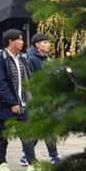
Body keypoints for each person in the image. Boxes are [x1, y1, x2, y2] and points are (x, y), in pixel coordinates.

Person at [0, 29, 37, 171]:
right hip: (6, 106)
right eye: (20, 39)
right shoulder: (0, 59)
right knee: (3, 135)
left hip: (22, 104)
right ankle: (2, 163)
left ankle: (32, 163)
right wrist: (12, 103)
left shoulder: (22, 59)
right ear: (10, 41)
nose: (22, 42)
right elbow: (0, 84)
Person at [24, 33, 59, 164]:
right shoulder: (32, 59)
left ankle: (26, 154)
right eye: (45, 42)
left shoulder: (46, 58)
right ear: (37, 44)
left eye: (49, 43)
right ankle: (54, 156)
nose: (48, 45)